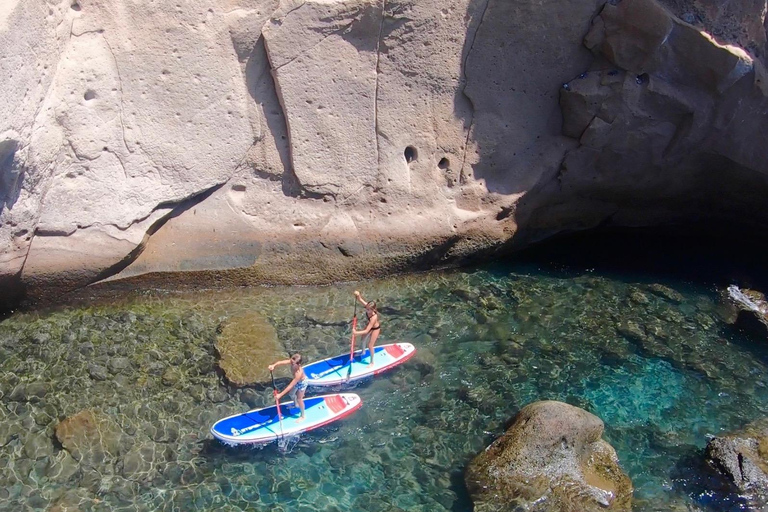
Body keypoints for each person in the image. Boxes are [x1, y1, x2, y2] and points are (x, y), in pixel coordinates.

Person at [267, 353, 307, 422]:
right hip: (297, 381)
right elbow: (280, 362)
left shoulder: (298, 373)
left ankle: (303, 416)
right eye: (291, 360)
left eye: (293, 363)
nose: (291, 363)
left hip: (302, 383)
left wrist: (280, 395)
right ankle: (296, 405)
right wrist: (273, 365)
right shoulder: (292, 361)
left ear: (298, 364)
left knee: (299, 399)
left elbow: (290, 386)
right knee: (291, 394)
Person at [353, 290, 380, 366]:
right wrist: (358, 295)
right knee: (363, 339)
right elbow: (360, 299)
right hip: (370, 326)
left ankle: (372, 362)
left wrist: (356, 333)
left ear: (373, 309)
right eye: (366, 308)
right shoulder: (368, 306)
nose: (367, 310)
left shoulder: (373, 318)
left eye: (368, 310)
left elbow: (366, 330)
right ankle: (363, 352)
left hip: (375, 329)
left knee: (370, 345)